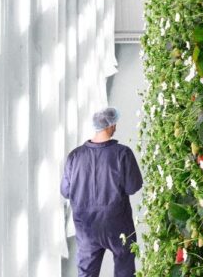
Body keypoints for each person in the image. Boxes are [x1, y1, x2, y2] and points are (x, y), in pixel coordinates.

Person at [61, 108, 143, 277]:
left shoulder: (75, 156)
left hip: (86, 228)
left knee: (86, 273)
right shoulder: (123, 154)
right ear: (111, 125)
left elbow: (66, 191)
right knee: (124, 268)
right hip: (117, 224)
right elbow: (132, 187)